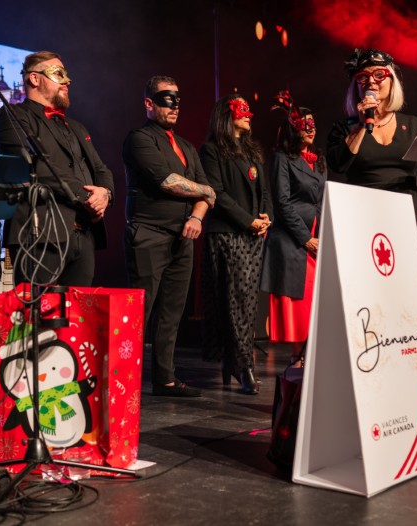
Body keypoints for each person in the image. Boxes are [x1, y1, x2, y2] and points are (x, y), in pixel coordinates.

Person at [326, 48, 417, 335]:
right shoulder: (344, 127)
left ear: (392, 80)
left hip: (404, 218)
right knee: (370, 294)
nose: (371, 81)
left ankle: (413, 347)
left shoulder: (414, 125)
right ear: (355, 86)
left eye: (379, 75)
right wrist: (363, 125)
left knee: (407, 292)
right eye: (363, 77)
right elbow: (338, 164)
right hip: (363, 218)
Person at [123, 75, 217, 397]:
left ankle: (164, 378)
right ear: (149, 103)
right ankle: (125, 382)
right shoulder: (139, 139)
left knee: (172, 313)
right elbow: (167, 181)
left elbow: (206, 193)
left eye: (178, 99)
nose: (175, 105)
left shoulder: (187, 146)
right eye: (167, 99)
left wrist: (196, 215)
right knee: (139, 311)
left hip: (182, 238)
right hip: (148, 234)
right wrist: (205, 191)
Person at [0, 50, 114, 287]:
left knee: (78, 309)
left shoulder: (77, 127)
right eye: (58, 74)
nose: (67, 81)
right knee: (38, 309)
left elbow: (101, 168)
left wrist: (106, 194)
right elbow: (37, 166)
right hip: (40, 234)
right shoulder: (13, 115)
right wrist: (88, 198)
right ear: (34, 78)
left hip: (83, 236)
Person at [199, 94, 272, 395]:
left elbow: (264, 190)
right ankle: (243, 366)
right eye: (242, 111)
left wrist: (265, 216)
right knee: (234, 302)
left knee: (246, 303)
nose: (248, 115)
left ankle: (236, 362)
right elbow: (216, 192)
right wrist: (247, 220)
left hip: (253, 236)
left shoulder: (252, 150)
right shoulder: (212, 150)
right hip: (228, 234)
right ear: (226, 116)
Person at [260, 91, 326, 358]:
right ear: (293, 128)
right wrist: (305, 238)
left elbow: (323, 200)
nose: (310, 129)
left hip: (317, 237)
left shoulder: (319, 161)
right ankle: (299, 361)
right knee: (298, 304)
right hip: (292, 241)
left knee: (315, 302)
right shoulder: (281, 159)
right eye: (304, 124)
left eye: (313, 124)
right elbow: (282, 203)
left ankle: (311, 359)